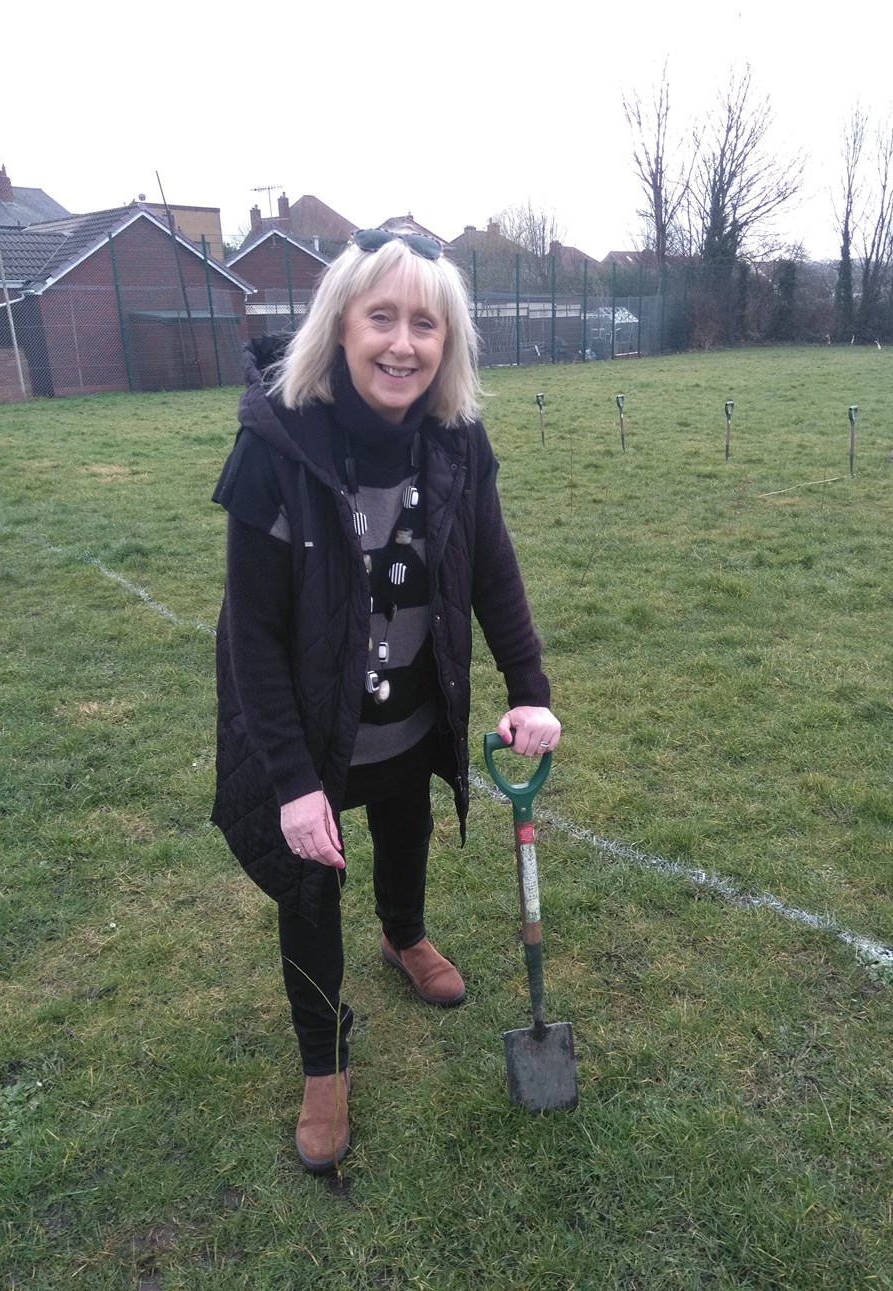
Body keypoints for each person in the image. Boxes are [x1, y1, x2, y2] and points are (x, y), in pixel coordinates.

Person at [211, 228, 561, 1174]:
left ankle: (404, 935)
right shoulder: (275, 443)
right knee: (308, 883)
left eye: (426, 323)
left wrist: (528, 689)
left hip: (408, 702)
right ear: (342, 325)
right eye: (382, 318)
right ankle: (324, 1064)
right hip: (304, 720)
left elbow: (492, 565)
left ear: (447, 344)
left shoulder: (456, 442)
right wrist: (289, 779)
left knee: (405, 820)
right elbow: (252, 633)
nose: (403, 343)